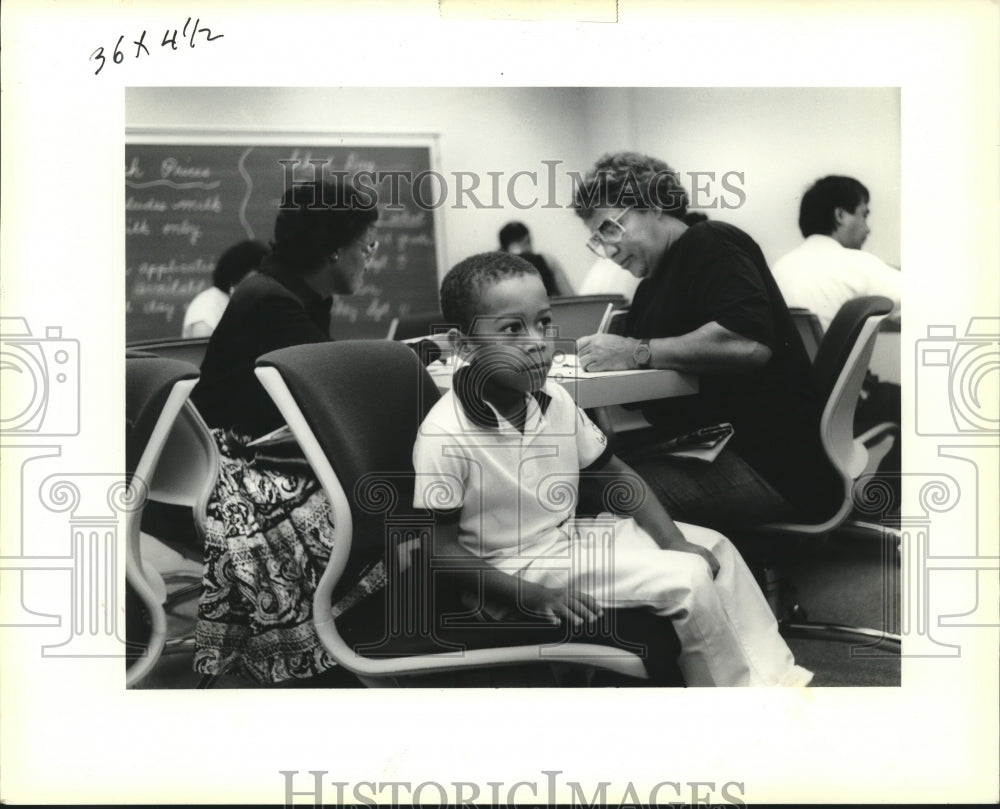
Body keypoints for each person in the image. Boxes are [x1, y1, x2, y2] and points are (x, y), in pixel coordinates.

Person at [412, 251, 812, 687]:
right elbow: (440, 551)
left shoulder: (553, 399)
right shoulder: (445, 433)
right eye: (513, 329)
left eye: (544, 322)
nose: (537, 342)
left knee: (715, 548)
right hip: (515, 567)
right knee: (689, 579)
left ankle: (781, 684)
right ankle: (728, 707)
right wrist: (536, 596)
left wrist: (672, 540)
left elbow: (615, 473)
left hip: (569, 539)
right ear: (464, 344)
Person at [572, 151, 841, 530]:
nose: (609, 250)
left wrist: (635, 351)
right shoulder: (651, 286)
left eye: (611, 229)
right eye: (598, 241)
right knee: (589, 474)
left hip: (769, 462)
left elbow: (748, 343)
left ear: (654, 204)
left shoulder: (712, 243)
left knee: (583, 495)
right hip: (713, 448)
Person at [190, 179, 385, 684]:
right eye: (369, 245)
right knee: (381, 492)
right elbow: (332, 400)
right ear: (337, 249)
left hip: (233, 454)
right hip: (229, 468)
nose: (371, 256)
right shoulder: (274, 302)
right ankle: (338, 651)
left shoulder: (284, 289)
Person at [771, 175, 900, 332]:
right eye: (864, 215)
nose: (867, 229)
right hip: (833, 357)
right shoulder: (857, 264)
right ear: (840, 215)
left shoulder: (778, 269)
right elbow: (926, 307)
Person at [181, 239, 268, 338]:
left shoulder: (247, 304)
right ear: (236, 277)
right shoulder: (207, 307)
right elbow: (201, 350)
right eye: (255, 278)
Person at [498, 220, 574, 297]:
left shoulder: (497, 267)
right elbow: (570, 297)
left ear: (503, 247)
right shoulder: (547, 260)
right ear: (527, 239)